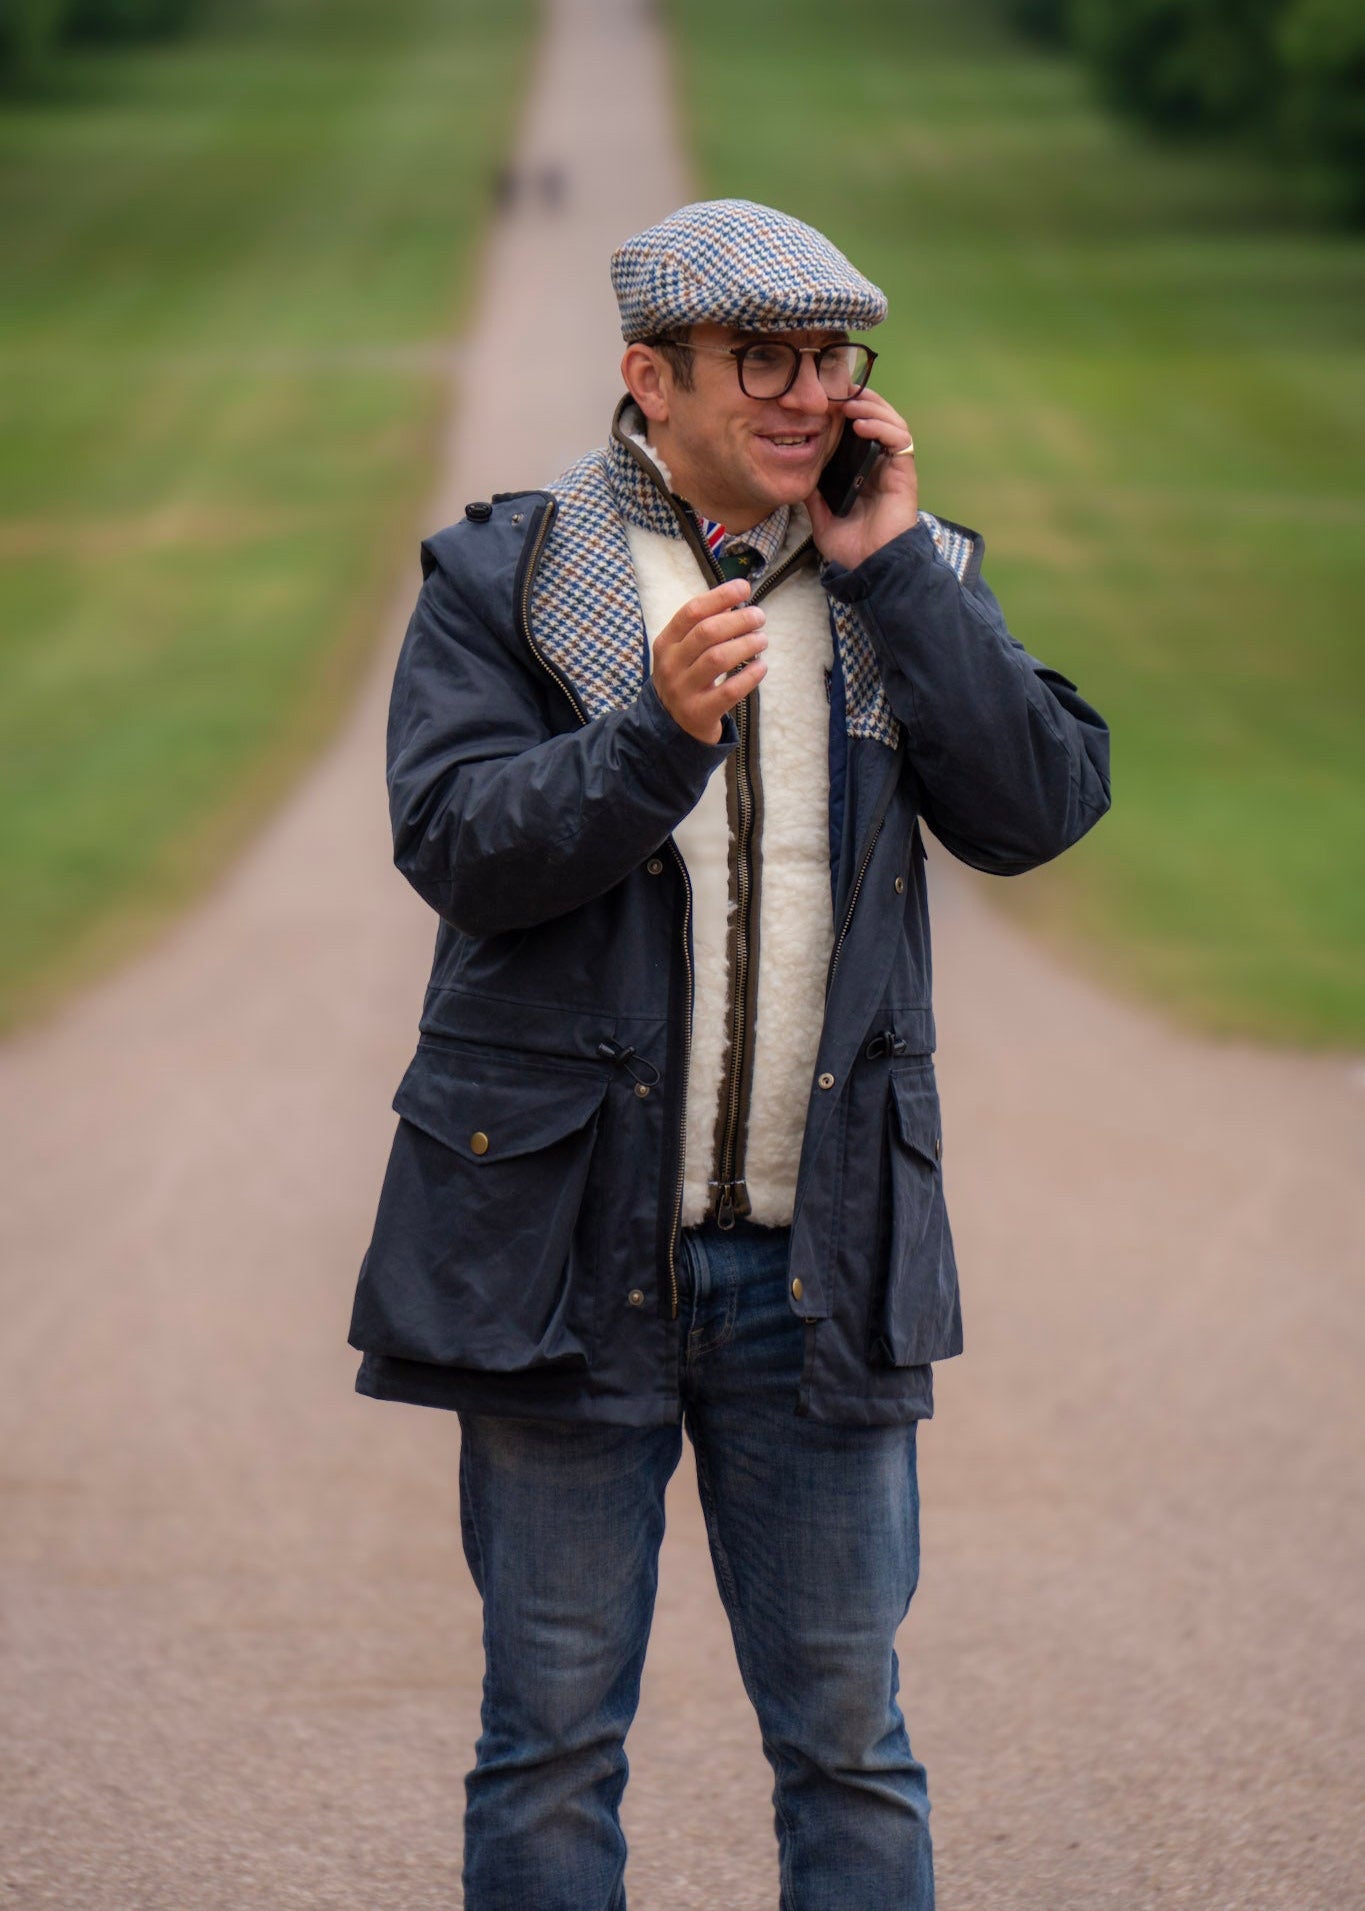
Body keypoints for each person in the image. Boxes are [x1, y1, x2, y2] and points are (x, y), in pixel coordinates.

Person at [348, 198, 1110, 1910]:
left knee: (849, 1744)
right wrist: (655, 735)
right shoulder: (506, 575)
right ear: (651, 375)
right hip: (563, 1250)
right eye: (762, 357)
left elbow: (1036, 808)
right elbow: (458, 845)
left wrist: (892, 568)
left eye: (831, 357)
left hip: (816, 1261)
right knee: (548, 1746)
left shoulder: (905, 576)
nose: (809, 394)